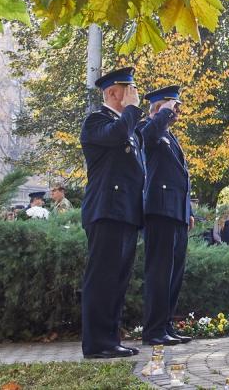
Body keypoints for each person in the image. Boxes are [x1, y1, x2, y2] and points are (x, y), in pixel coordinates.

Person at [79, 67, 144, 359]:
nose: (133, 95)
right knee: (102, 278)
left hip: (126, 212)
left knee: (118, 279)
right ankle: (96, 344)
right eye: (127, 90)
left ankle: (110, 339)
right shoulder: (97, 121)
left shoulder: (125, 125)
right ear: (111, 93)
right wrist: (132, 111)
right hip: (106, 210)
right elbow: (117, 136)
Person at [139, 85, 194, 346]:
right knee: (159, 272)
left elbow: (181, 177)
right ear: (160, 107)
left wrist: (189, 210)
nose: (178, 112)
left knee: (174, 274)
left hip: (176, 212)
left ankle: (166, 325)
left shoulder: (170, 136)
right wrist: (161, 114)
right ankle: (153, 330)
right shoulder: (147, 128)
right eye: (174, 106)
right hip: (159, 210)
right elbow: (145, 139)